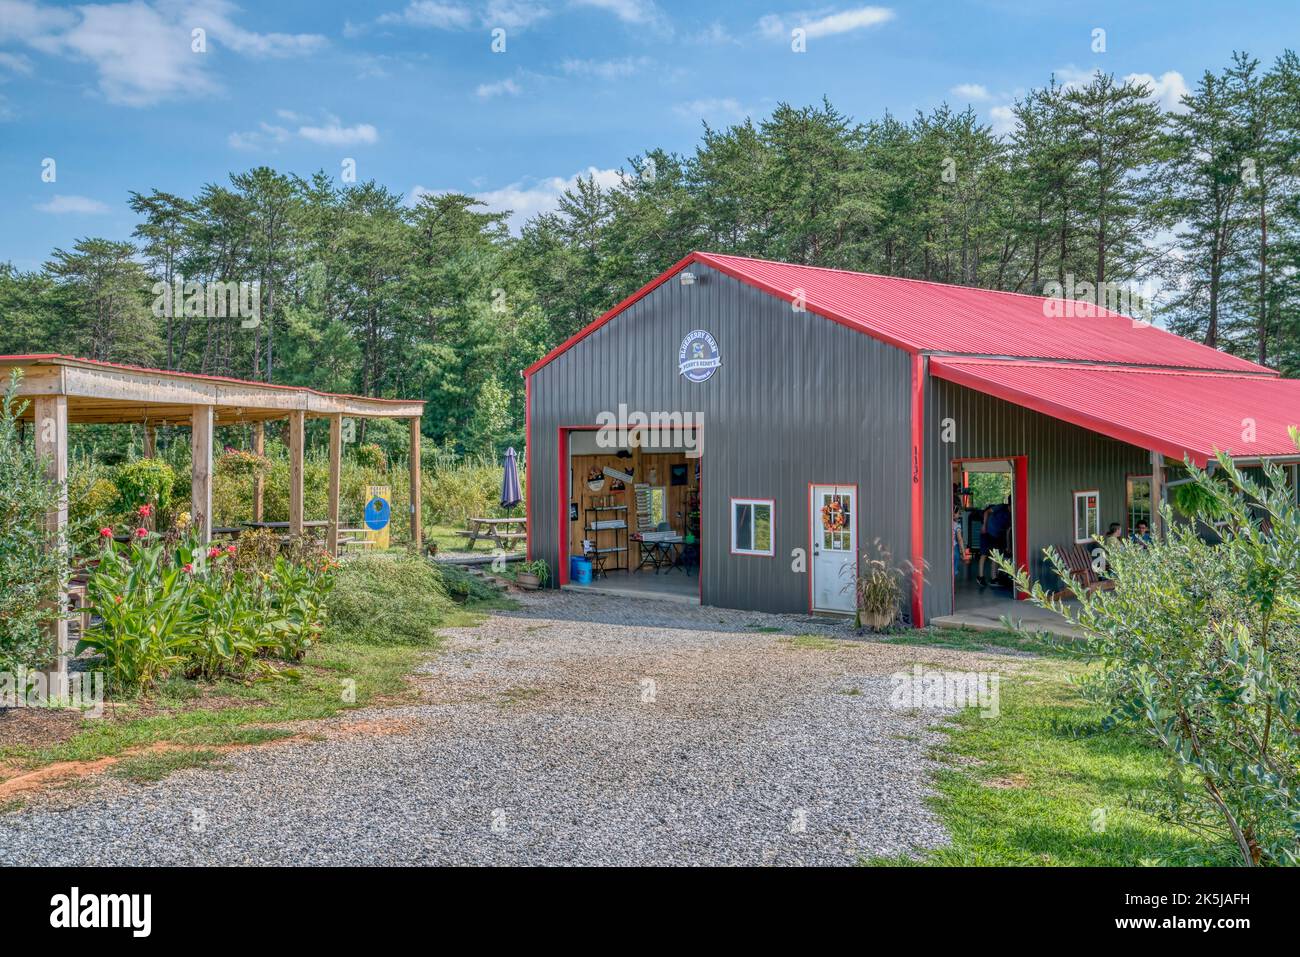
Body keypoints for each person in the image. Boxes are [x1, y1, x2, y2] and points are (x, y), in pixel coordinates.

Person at [976, 498, 1012, 587]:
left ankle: (993, 578)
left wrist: (1008, 546)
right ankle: (980, 577)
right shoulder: (1001, 507)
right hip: (987, 531)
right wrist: (984, 526)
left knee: (995, 556)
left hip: (997, 536)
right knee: (984, 554)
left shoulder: (1012, 515)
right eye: (1011, 506)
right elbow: (986, 512)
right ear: (1009, 504)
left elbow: (1008, 530)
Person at [952, 506, 966, 579]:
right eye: (958, 513)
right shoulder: (957, 525)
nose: (959, 515)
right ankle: (952, 588)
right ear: (954, 514)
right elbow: (960, 539)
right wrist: (963, 553)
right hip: (954, 547)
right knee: (954, 569)